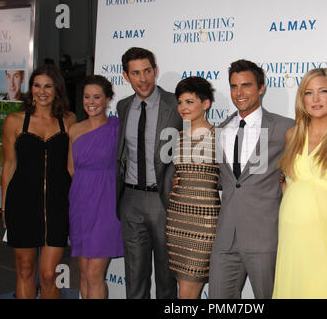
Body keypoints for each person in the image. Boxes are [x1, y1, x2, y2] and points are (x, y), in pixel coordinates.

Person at [208, 59, 295, 299]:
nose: (239, 93)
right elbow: (223, 179)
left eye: (246, 85)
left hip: (264, 237)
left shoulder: (285, 128)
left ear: (261, 87)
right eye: (234, 86)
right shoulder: (220, 130)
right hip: (226, 237)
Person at [272, 68, 327, 298]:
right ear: (302, 98)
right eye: (309, 93)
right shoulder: (292, 135)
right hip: (292, 230)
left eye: (323, 91)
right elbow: (290, 183)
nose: (315, 99)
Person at [1, 65, 76, 299]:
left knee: (47, 275)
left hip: (57, 206)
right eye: (37, 85)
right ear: (30, 88)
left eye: (48, 86)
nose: (41, 91)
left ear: (57, 90)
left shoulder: (69, 120)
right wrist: (4, 207)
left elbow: (72, 168)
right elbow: (9, 165)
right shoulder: (14, 121)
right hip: (21, 204)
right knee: (24, 270)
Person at [116, 47, 182, 299]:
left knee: (167, 279)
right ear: (126, 76)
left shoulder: (175, 104)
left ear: (155, 71)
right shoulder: (123, 107)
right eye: (135, 73)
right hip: (130, 200)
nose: (142, 79)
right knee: (135, 277)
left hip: (163, 199)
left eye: (147, 71)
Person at [67, 75, 123, 299]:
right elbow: (71, 168)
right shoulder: (74, 129)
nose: (91, 102)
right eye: (87, 97)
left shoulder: (117, 128)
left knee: (94, 273)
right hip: (81, 203)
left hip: (107, 204)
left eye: (97, 97)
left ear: (108, 99)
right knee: (83, 273)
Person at [166, 77, 219, 299]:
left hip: (204, 222)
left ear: (205, 104)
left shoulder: (221, 137)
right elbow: (175, 172)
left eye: (189, 102)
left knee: (189, 290)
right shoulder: (175, 137)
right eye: (180, 102)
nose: (183, 108)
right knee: (183, 287)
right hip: (177, 218)